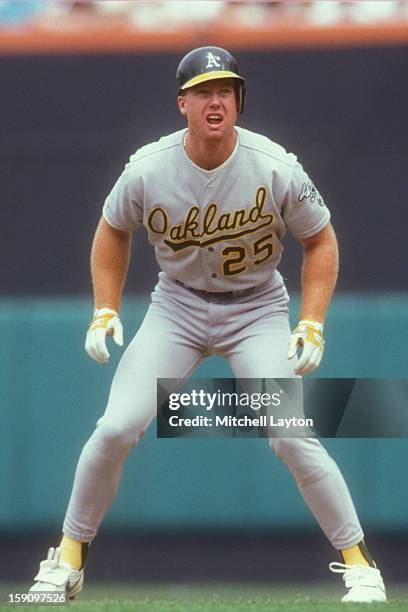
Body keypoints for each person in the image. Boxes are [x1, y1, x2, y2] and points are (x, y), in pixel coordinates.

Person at [29, 46, 386, 603]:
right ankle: (68, 558)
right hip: (177, 305)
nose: (215, 101)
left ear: (238, 102)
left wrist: (312, 322)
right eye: (203, 92)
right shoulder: (149, 166)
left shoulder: (275, 165)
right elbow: (111, 229)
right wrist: (105, 306)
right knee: (116, 426)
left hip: (257, 308)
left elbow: (321, 240)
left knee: (292, 433)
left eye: (225, 91)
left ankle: (361, 563)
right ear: (183, 104)